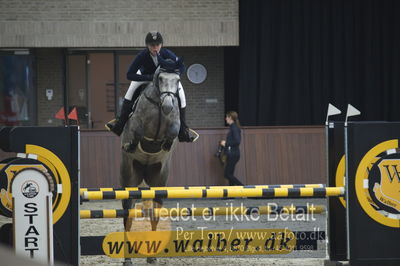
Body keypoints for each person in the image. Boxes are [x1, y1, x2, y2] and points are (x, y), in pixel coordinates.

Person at [106, 31, 194, 142]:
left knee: (181, 95)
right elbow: (129, 74)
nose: (155, 48)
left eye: (157, 45)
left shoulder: (167, 53)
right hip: (145, 77)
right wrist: (149, 78)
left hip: (165, 80)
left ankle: (183, 130)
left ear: (161, 45)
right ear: (147, 46)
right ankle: (120, 124)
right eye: (152, 45)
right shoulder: (142, 56)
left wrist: (172, 75)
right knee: (130, 91)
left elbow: (182, 68)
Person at [220, 111, 244, 186]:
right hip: (233, 154)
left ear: (230, 118)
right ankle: (231, 194)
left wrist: (225, 143)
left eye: (227, 117)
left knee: (227, 174)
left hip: (233, 154)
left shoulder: (234, 128)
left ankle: (243, 188)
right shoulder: (233, 128)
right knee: (230, 174)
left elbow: (237, 141)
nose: (225, 119)